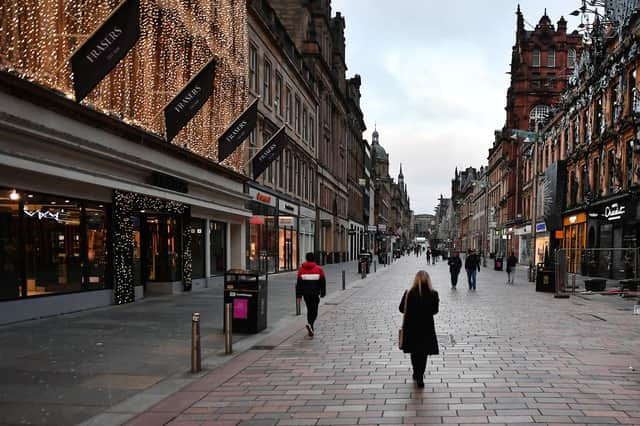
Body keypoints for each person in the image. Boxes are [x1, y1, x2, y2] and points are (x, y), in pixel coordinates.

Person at [398, 270, 439, 388]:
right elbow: (435, 311)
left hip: (412, 328)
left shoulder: (409, 293)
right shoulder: (433, 294)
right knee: (423, 353)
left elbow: (401, 309)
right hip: (426, 328)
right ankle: (420, 375)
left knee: (414, 352)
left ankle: (416, 372)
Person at [296, 252, 326, 337]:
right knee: (314, 311)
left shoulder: (301, 269)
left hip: (306, 294)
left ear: (306, 259)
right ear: (314, 259)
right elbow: (322, 282)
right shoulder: (319, 269)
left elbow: (299, 283)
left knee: (309, 309)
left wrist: (298, 295)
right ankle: (311, 324)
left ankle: (310, 324)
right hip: (315, 293)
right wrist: (323, 292)